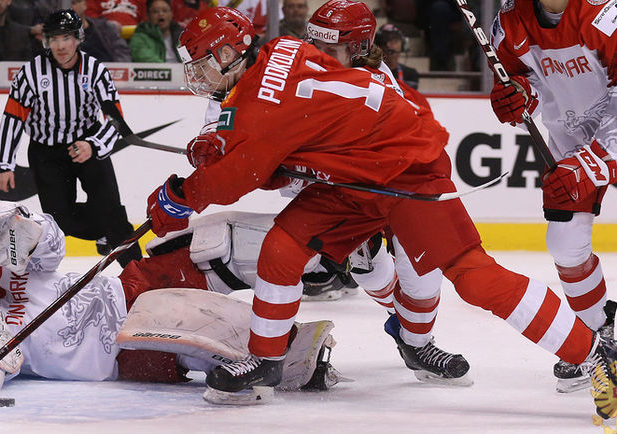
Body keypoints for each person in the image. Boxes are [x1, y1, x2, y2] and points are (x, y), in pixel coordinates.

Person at [149, 4, 617, 418]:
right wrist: (222, 150)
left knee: (471, 276)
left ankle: (597, 355)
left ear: (229, 55)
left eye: (202, 65)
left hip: (405, 174)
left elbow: (238, 176)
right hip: (353, 179)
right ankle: (267, 360)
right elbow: (266, 152)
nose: (198, 76)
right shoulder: (276, 58)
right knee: (283, 247)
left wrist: (176, 197)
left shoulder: (261, 101)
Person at [0, 202, 341, 395]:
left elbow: (52, 248)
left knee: (213, 245)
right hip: (118, 354)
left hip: (124, 287)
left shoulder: (4, 269)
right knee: (193, 334)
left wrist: (29, 227)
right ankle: (290, 358)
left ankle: (327, 248)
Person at [302, 0, 470, 385]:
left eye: (330, 49)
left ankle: (417, 341)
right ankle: (407, 329)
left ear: (359, 48)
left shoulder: (378, 79)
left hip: (393, 190)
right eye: (315, 44)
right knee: (368, 266)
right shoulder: (300, 73)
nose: (317, 56)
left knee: (423, 272)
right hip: (344, 195)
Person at [489, 0, 617, 394]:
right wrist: (519, 97)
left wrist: (596, 159)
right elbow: (520, 78)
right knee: (564, 242)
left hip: (609, 135)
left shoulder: (604, 15)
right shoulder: (510, 21)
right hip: (570, 143)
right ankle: (600, 340)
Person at [0, 9, 141, 268]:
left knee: (111, 210)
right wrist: (3, 164)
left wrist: (93, 145)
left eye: (66, 38)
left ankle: (141, 273)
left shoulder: (95, 71)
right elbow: (13, 118)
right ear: (46, 41)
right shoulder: (31, 74)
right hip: (46, 154)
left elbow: (115, 119)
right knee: (61, 220)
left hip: (87, 144)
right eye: (54, 39)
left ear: (78, 39)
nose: (60, 46)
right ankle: (106, 229)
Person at [375, 23, 419, 90]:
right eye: (384, 41)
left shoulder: (411, 74)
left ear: (403, 44)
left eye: (394, 40)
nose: (388, 45)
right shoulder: (371, 72)